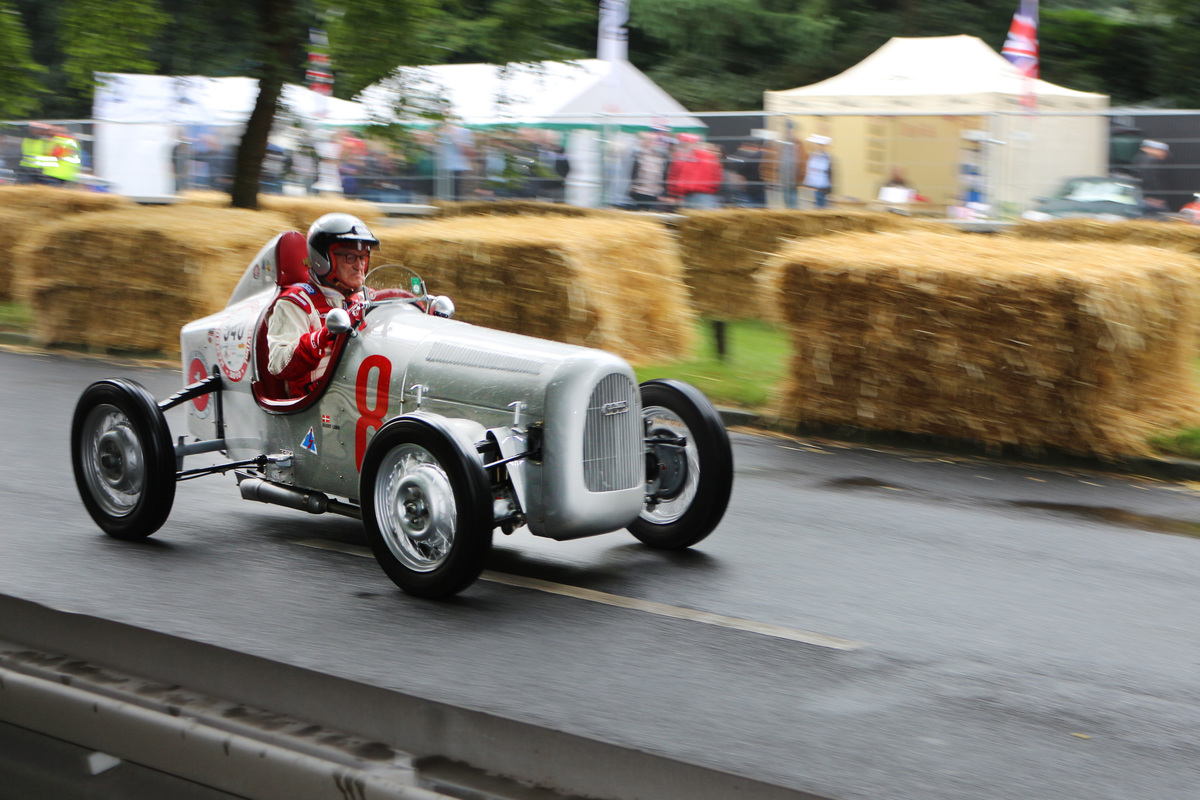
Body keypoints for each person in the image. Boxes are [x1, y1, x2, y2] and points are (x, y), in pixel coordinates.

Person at [265, 213, 379, 395]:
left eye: (363, 257)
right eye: (350, 257)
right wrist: (321, 337)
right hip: (317, 409)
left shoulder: (367, 298)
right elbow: (279, 365)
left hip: (357, 394)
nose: (359, 266)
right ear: (323, 259)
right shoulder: (295, 303)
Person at [666, 133, 723, 209]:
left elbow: (674, 177)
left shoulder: (681, 157)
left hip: (696, 195)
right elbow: (717, 178)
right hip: (698, 195)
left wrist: (674, 194)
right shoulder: (710, 157)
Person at [1130, 139, 1170, 210]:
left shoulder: (1139, 158)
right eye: (1162, 151)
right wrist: (1156, 198)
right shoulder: (1151, 162)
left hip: (1141, 197)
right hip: (1151, 201)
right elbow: (1151, 180)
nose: (1164, 154)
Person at [803, 134, 835, 208]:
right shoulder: (812, 156)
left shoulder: (826, 157)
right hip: (813, 185)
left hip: (822, 186)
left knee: (820, 205)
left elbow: (829, 172)